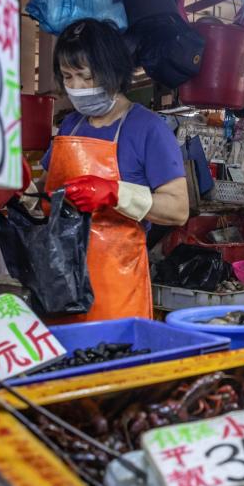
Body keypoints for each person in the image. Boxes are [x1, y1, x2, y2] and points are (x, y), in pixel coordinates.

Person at [41, 19, 190, 321]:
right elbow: (48, 186)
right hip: (60, 279)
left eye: (84, 76)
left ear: (112, 71)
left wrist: (113, 193)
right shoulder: (71, 125)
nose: (76, 88)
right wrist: (26, 185)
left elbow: (178, 209)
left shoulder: (148, 128)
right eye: (68, 77)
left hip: (116, 283)